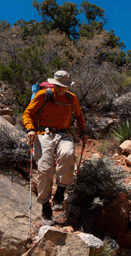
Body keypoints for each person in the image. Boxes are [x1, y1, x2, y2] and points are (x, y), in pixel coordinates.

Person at [23, 70, 89, 225]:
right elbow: (28, 113)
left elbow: (79, 115)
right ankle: (46, 208)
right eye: (58, 86)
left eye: (64, 86)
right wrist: (30, 129)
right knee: (45, 169)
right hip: (43, 134)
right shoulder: (42, 96)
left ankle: (59, 193)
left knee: (68, 154)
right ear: (53, 84)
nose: (61, 89)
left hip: (64, 134)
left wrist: (83, 131)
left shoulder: (71, 98)